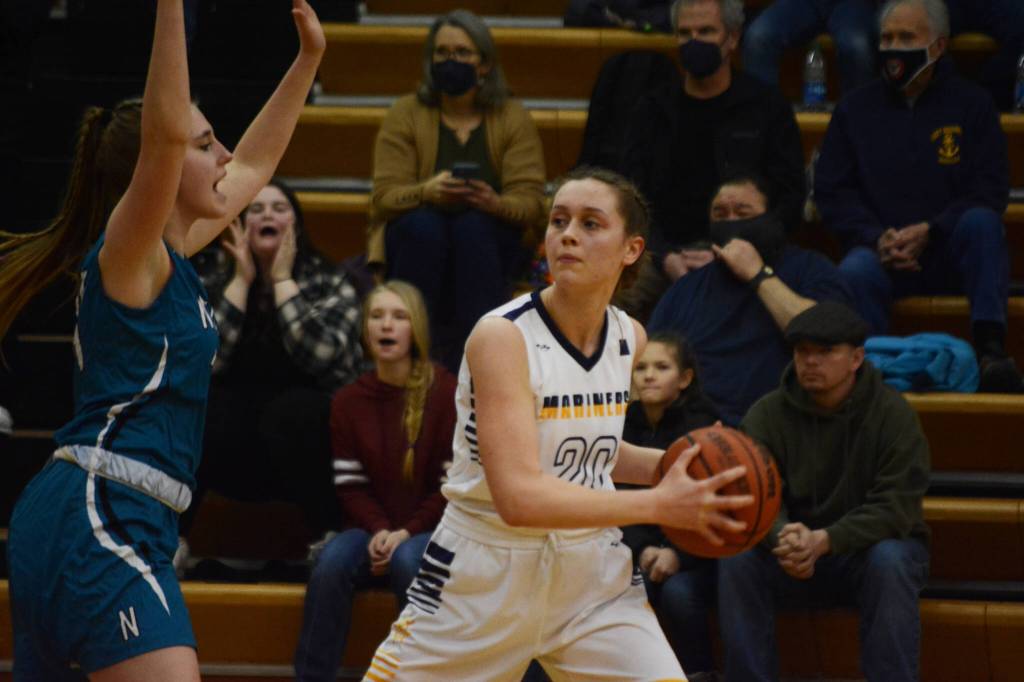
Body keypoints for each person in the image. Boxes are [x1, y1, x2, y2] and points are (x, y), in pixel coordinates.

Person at [0, 1, 325, 678]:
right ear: (167, 158)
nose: (224, 153)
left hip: (117, 514)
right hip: (97, 510)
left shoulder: (176, 251)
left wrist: (308, 62)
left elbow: (258, 162)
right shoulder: (129, 253)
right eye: (205, 143)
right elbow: (163, 131)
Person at [362, 166, 754, 681]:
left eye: (591, 224)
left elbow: (593, 450)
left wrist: (687, 468)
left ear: (630, 249)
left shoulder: (629, 336)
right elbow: (519, 496)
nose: (567, 234)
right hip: (484, 574)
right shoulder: (501, 337)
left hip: (590, 574)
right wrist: (659, 503)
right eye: (559, 220)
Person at [814, 0, 1022, 393]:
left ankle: (991, 353)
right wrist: (876, 236)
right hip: (881, 252)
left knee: (983, 224)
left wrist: (932, 229)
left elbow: (990, 188)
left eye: (907, 38)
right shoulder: (854, 108)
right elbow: (832, 191)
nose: (894, 48)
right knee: (853, 271)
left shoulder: (972, 104)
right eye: (888, 38)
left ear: (939, 46)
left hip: (949, 248)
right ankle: (869, 374)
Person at [718, 301, 931, 682]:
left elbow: (896, 507)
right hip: (792, 553)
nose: (811, 362)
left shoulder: (893, 415)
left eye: (826, 352)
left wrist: (826, 540)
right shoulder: (766, 414)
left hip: (862, 554)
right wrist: (782, 536)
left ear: (856, 359)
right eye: (803, 352)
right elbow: (750, 493)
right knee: (738, 558)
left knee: (892, 558)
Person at [176, 178, 364, 569]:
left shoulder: (328, 278)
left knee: (294, 411)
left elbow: (328, 359)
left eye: (279, 208)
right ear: (240, 225)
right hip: (233, 444)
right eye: (256, 209)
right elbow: (200, 363)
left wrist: (282, 282)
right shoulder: (210, 275)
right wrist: (241, 282)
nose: (267, 215)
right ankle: (171, 540)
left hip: (303, 442)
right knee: (203, 409)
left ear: (295, 225)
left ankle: (329, 536)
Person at [293, 281, 455, 682]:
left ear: (415, 328)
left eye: (399, 317)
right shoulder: (348, 401)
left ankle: (412, 675)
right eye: (377, 316)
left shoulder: (446, 392)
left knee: (408, 561)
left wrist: (405, 532)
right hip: (370, 529)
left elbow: (451, 488)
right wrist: (382, 530)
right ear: (365, 330)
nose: (387, 325)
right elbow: (351, 487)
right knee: (330, 563)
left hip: (430, 531)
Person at [370, 9, 547, 372]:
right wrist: (427, 192)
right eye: (442, 53)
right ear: (430, 61)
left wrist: (492, 202)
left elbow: (531, 205)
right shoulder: (405, 113)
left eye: (463, 53)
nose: (451, 61)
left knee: (472, 228)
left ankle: (480, 362)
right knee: (426, 227)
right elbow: (384, 197)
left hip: (488, 240)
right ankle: (416, 363)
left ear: (484, 65)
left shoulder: (512, 116)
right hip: (420, 239)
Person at [617, 0, 805, 323]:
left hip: (750, 251)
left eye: (705, 31)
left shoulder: (766, 107)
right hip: (664, 253)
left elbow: (789, 199)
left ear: (732, 39)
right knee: (615, 289)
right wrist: (665, 257)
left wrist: (735, 251)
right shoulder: (652, 109)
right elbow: (632, 195)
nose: (694, 42)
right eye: (684, 33)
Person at [648, 175, 853, 425]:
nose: (731, 223)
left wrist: (757, 275)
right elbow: (648, 361)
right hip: (694, 430)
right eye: (720, 214)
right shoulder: (686, 289)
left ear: (771, 218)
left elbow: (823, 336)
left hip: (780, 429)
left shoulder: (811, 270)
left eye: (743, 214)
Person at [619, 331, 721, 680]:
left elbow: (715, 507)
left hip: (701, 556)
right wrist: (644, 548)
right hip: (641, 551)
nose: (648, 375)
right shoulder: (623, 423)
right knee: (629, 592)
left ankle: (701, 675)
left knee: (680, 595)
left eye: (661, 367)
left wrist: (677, 553)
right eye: (641, 368)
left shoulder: (704, 424)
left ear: (685, 378)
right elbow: (617, 498)